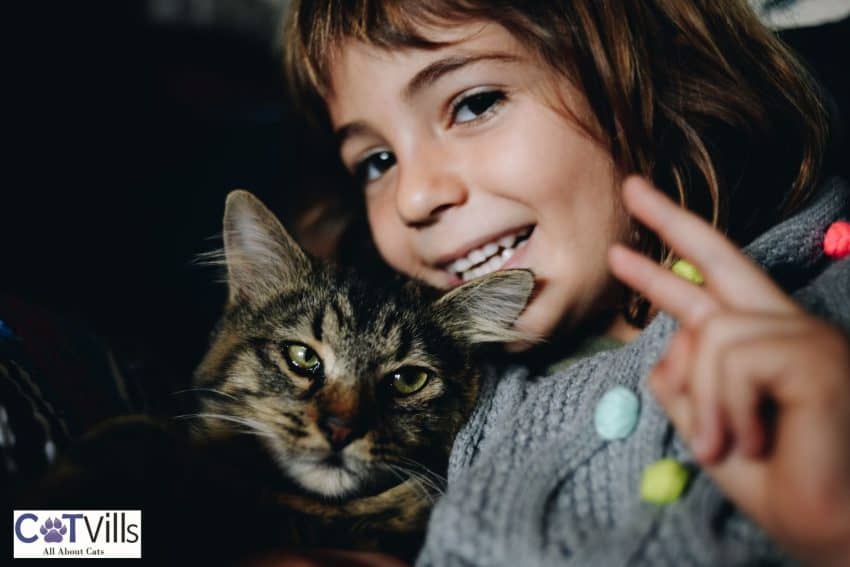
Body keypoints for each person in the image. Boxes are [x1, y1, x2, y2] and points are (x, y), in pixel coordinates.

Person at [282, 1, 850, 565]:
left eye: (475, 104)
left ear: (653, 70)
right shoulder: (451, 401)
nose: (414, 198)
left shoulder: (827, 303)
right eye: (378, 162)